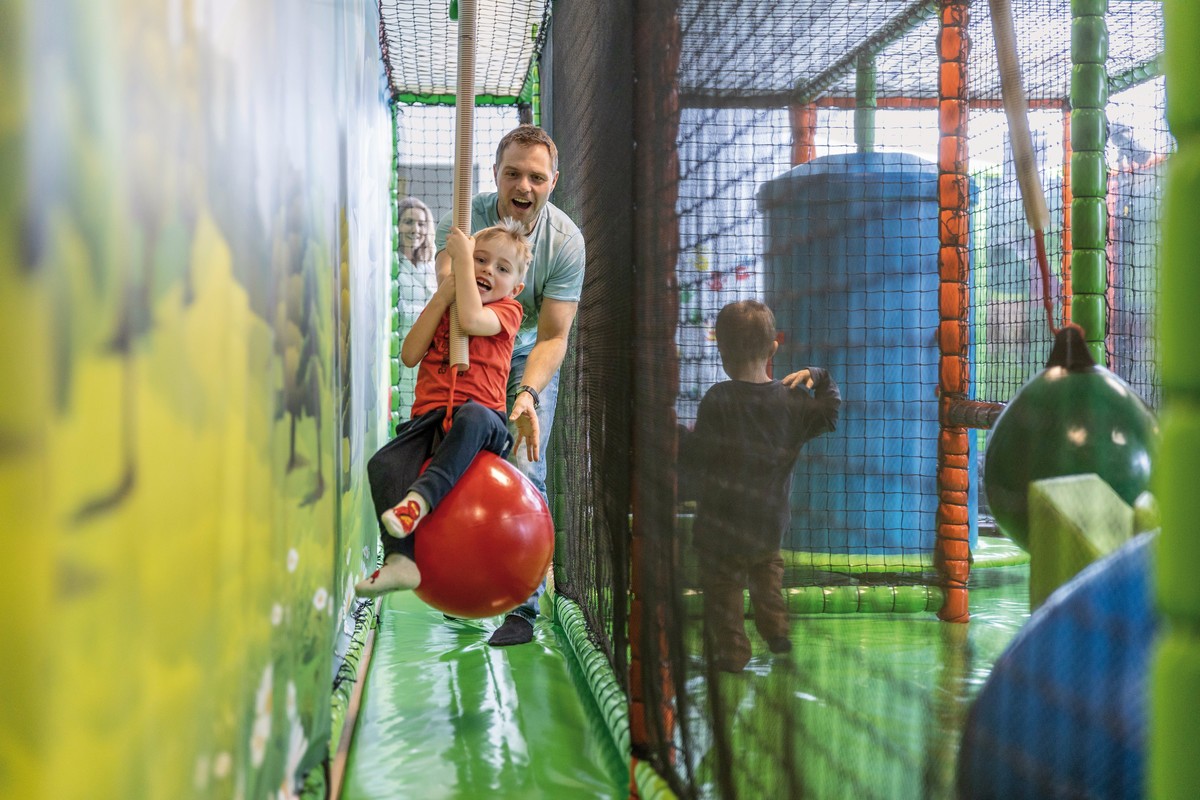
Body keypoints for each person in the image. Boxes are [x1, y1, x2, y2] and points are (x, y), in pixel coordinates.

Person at [433, 124, 585, 646]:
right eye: (513, 174)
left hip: (525, 351)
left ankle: (522, 607)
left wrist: (527, 395)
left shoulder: (564, 243)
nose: (524, 186)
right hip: (474, 345)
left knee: (525, 465)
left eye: (536, 177)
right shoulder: (467, 218)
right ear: (496, 175)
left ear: (553, 181)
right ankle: (458, 583)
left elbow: (553, 335)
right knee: (460, 461)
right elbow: (449, 294)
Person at [355, 218, 534, 597]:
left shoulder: (507, 312)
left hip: (481, 423)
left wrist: (463, 264)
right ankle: (400, 560)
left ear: (515, 287)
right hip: (431, 419)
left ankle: (419, 502)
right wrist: (441, 297)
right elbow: (409, 355)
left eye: (501, 269)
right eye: (480, 260)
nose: (486, 271)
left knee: (471, 415)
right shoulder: (448, 309)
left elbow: (472, 318)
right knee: (383, 464)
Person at [679, 300, 841, 673]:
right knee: (767, 576)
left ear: (721, 349)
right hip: (768, 524)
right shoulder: (792, 401)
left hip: (721, 529)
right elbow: (830, 413)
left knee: (724, 593)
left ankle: (734, 651)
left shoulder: (718, 399)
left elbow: (700, 455)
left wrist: (675, 438)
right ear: (773, 348)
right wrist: (820, 376)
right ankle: (776, 630)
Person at [394, 197, 438, 421]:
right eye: (409, 222)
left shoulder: (432, 265)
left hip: (429, 351)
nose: (416, 229)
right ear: (397, 225)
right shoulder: (391, 264)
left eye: (421, 224)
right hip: (399, 349)